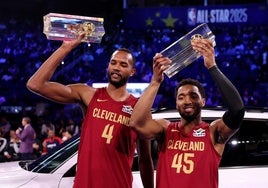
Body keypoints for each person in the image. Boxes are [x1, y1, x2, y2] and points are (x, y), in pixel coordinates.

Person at [26, 33, 154, 188]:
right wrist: (65, 48)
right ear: (108, 65)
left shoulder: (138, 108)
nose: (117, 68)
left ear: (132, 71)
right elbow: (36, 84)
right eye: (113, 63)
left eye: (123, 64)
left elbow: (145, 159)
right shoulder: (88, 94)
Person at [129, 38, 245, 188]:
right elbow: (136, 123)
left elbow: (237, 110)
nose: (187, 101)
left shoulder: (212, 131)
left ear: (203, 101)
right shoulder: (166, 130)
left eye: (193, 96)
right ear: (176, 103)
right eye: (181, 97)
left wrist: (212, 66)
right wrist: (155, 82)